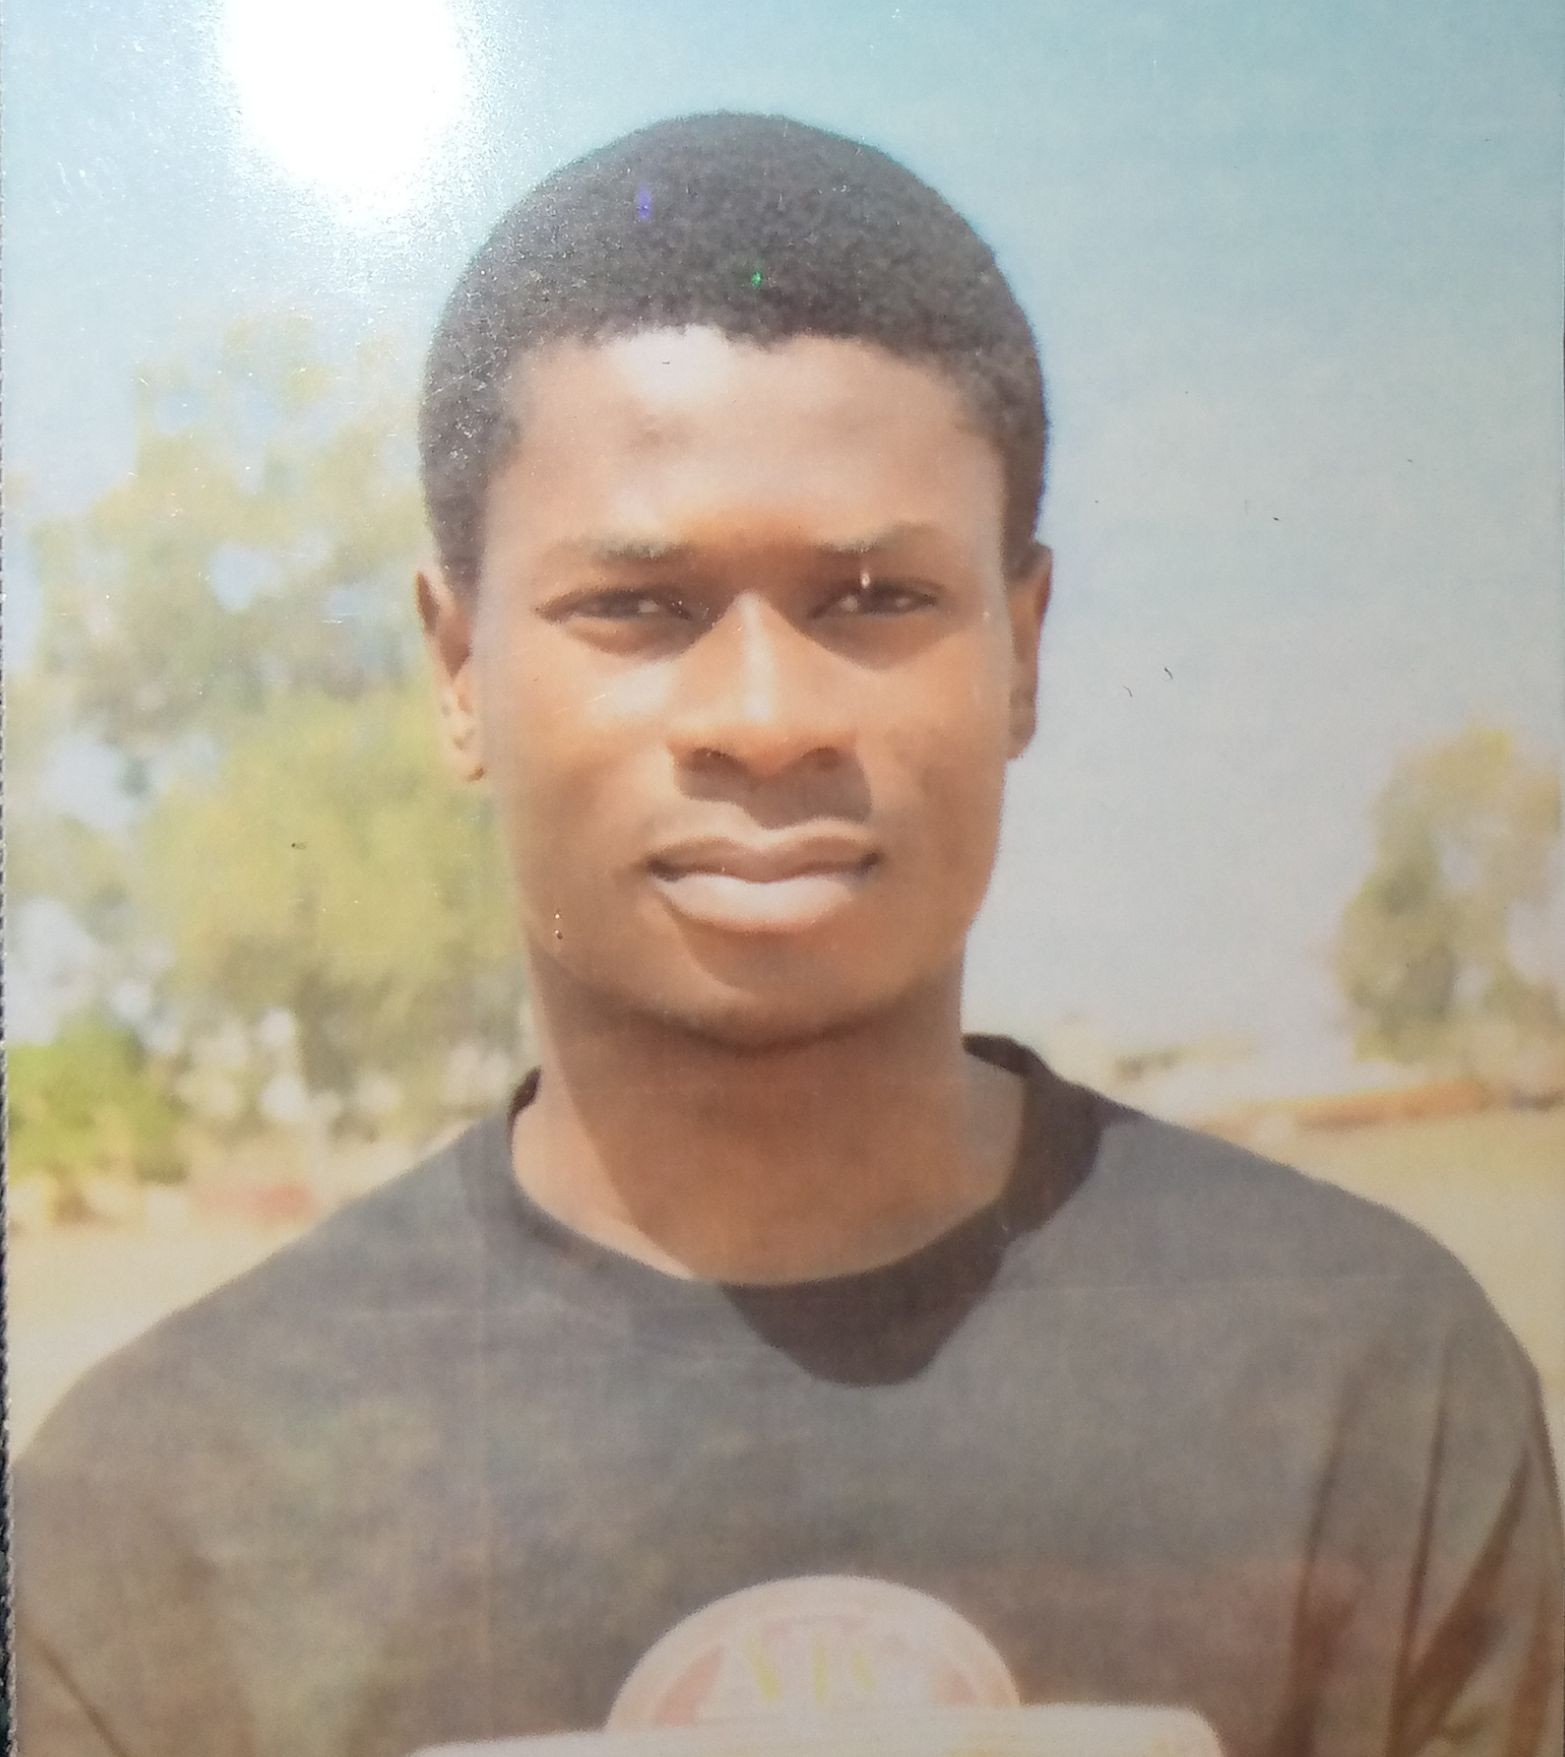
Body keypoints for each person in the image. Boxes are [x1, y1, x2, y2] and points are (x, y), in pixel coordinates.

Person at [12, 112, 1562, 1757]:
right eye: (637, 605)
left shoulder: (1362, 1383)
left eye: (875, 600)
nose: (763, 717)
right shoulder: (164, 1515)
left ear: (1022, 646)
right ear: (458, 668)